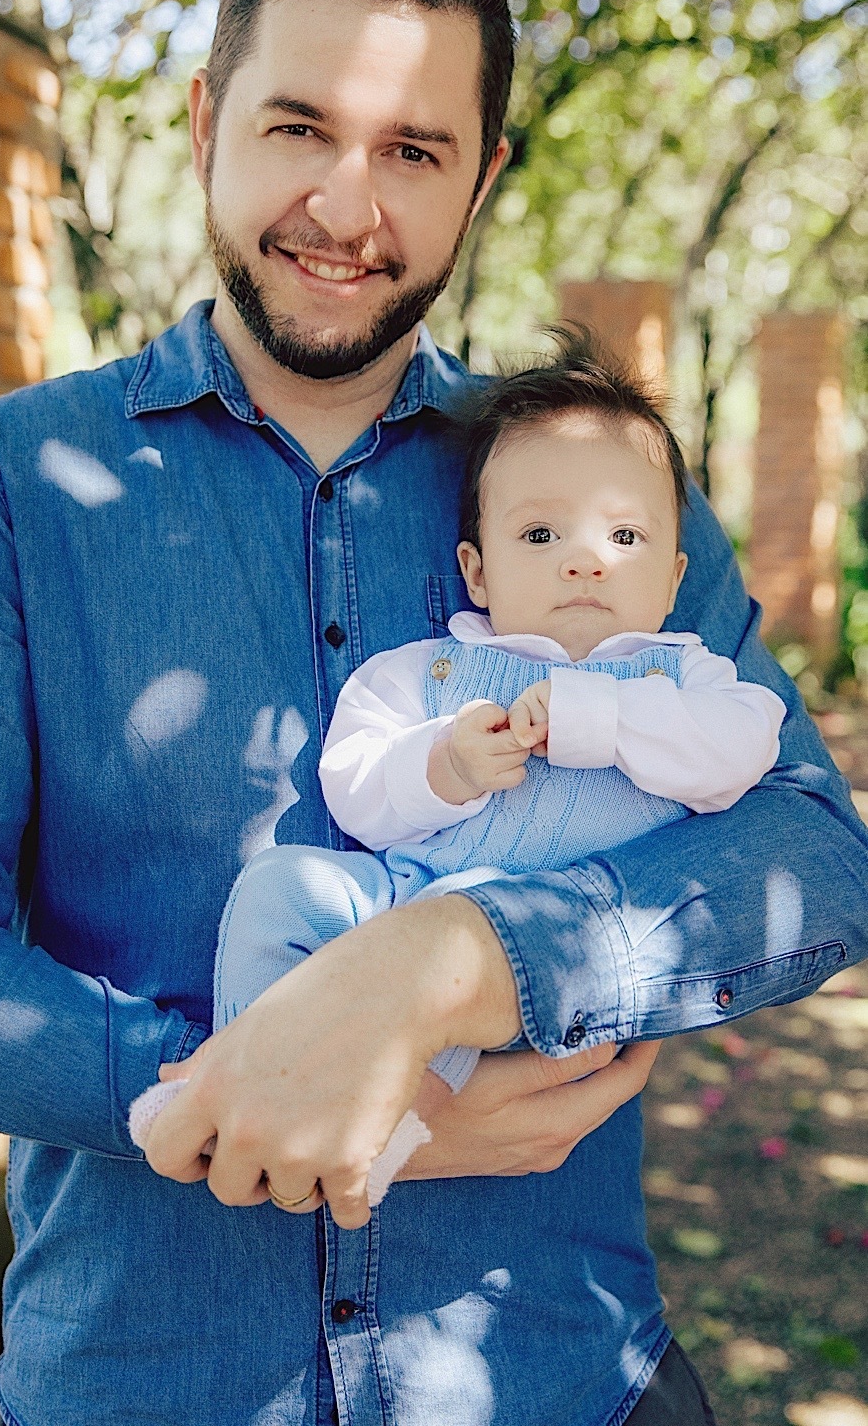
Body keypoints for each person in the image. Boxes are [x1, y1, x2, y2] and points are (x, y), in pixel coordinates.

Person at [0, 0, 864, 1426]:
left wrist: (468, 964)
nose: (345, 209)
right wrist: (259, 1090)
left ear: (482, 176)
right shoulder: (3, 491)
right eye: (297, 127)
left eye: (414, 151)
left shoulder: (593, 496)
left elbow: (814, 853)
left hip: (562, 1383)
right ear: (202, 119)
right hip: (150, 1388)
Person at [130, 336, 786, 1203]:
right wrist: (442, 763)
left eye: (623, 535)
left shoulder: (685, 675)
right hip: (402, 895)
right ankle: (236, 1079)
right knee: (282, 887)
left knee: (446, 941)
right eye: (540, 533)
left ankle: (374, 1141)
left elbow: (742, 756)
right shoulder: (430, 671)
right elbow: (354, 788)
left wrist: (600, 718)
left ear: (671, 579)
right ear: (476, 570)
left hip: (544, 945)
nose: (582, 559)